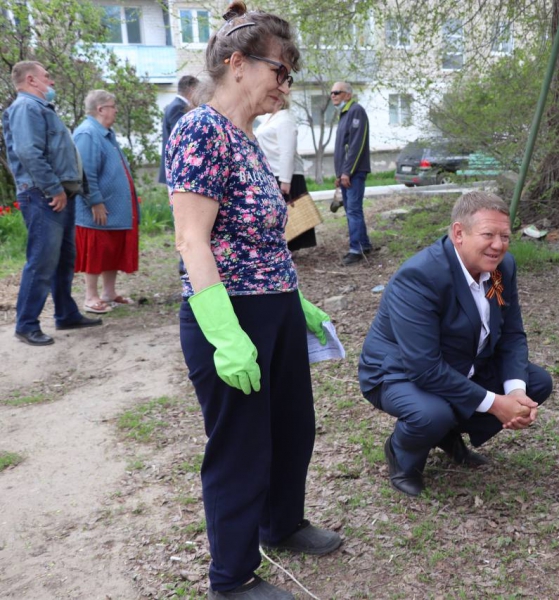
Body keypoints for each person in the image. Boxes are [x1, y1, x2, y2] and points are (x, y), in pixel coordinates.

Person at [166, 3, 341, 598]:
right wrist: (225, 333)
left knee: (293, 427)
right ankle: (232, 577)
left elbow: (263, 238)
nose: (285, 87)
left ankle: (281, 523)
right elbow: (192, 240)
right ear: (237, 63)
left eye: (290, 76)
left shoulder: (245, 139)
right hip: (230, 314)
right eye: (280, 72)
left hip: (275, 307)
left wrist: (297, 301)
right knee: (240, 447)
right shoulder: (200, 130)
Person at [358, 191, 554, 497]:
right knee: (432, 414)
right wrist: (496, 404)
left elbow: (512, 335)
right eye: (488, 235)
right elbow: (423, 367)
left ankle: (446, 433)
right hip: (399, 372)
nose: (499, 245)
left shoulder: (502, 267)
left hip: (460, 364)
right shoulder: (419, 277)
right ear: (458, 233)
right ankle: (401, 452)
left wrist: (515, 393)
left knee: (536, 382)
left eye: (505, 236)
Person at [3, 60, 102, 346]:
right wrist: (53, 188)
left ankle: (65, 314)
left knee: (63, 259)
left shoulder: (41, 108)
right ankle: (26, 325)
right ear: (31, 80)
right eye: (46, 76)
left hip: (58, 194)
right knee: (42, 260)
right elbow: (28, 152)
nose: (52, 81)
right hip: (43, 195)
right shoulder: (26, 107)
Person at [73, 90, 139, 314]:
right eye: (113, 106)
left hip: (114, 208)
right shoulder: (88, 133)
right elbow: (84, 172)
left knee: (112, 249)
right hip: (97, 209)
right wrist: (95, 201)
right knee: (96, 251)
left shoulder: (105, 133)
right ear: (101, 109)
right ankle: (90, 297)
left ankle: (109, 293)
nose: (116, 110)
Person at [255, 94, 315, 249]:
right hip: (271, 173)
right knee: (277, 216)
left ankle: (290, 251)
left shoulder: (285, 119)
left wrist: (285, 180)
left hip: (286, 175)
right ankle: (281, 250)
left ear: (280, 101)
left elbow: (287, 152)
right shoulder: (269, 118)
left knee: (291, 217)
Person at [330, 80, 372, 265]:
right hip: (347, 173)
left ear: (348, 94)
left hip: (354, 172)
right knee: (352, 210)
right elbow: (344, 148)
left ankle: (356, 250)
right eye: (331, 93)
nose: (333, 95)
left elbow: (357, 144)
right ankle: (364, 244)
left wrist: (347, 172)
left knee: (353, 210)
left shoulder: (356, 111)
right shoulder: (345, 113)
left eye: (337, 92)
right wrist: (339, 175)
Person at [157, 75, 198, 185]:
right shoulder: (178, 107)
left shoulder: (175, 105)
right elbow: (182, 138)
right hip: (177, 169)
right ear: (192, 89)